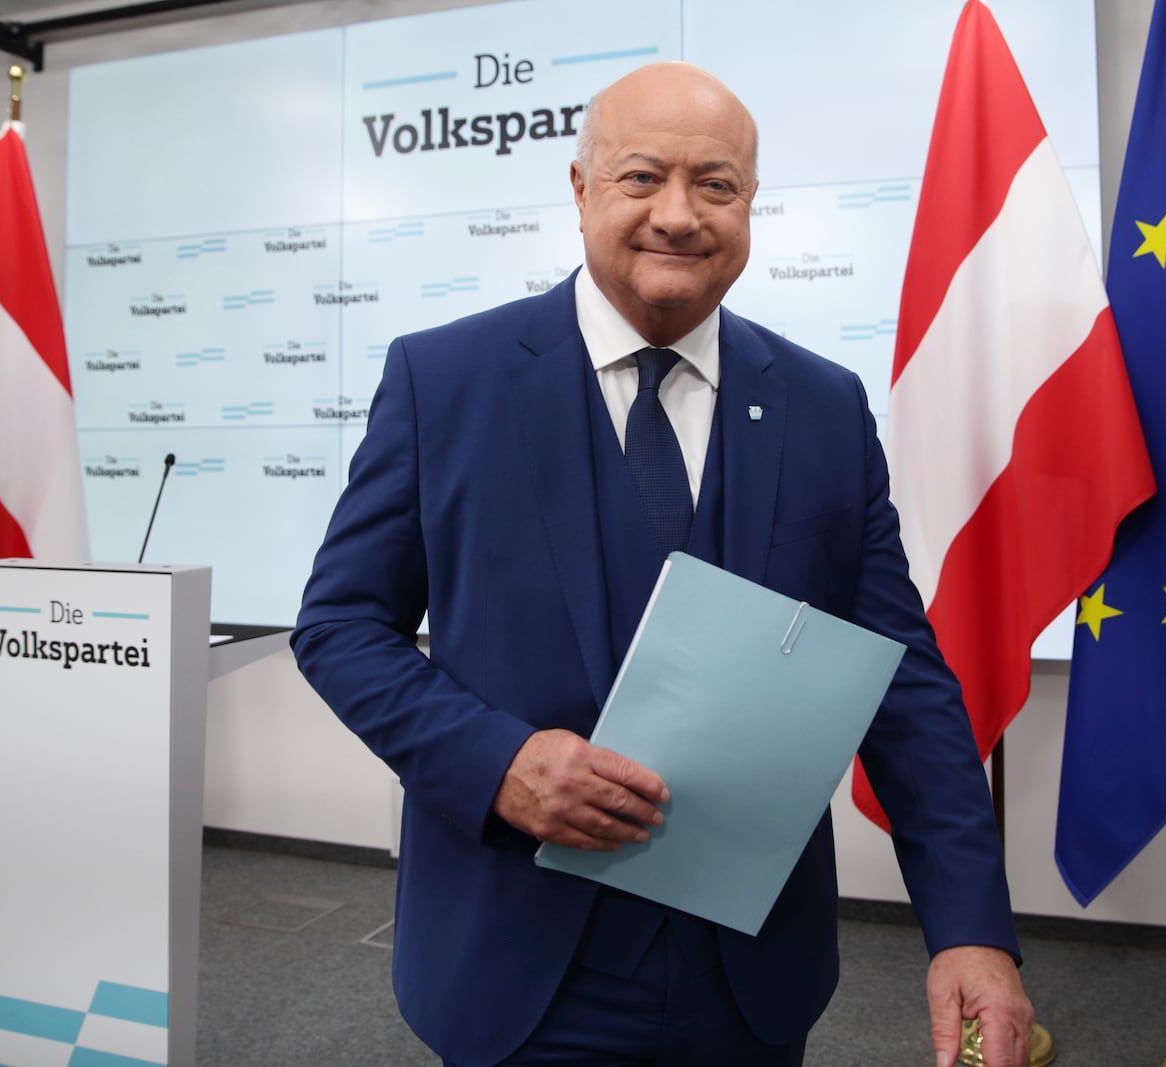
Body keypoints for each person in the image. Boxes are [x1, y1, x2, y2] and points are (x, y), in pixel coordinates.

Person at [293, 61, 1033, 1067]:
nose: (678, 215)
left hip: (751, 974)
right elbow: (340, 625)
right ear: (581, 188)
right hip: (515, 961)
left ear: (750, 202)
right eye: (642, 177)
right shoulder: (444, 381)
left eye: (714, 184)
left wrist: (970, 925)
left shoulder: (823, 406)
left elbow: (901, 678)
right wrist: (495, 761)